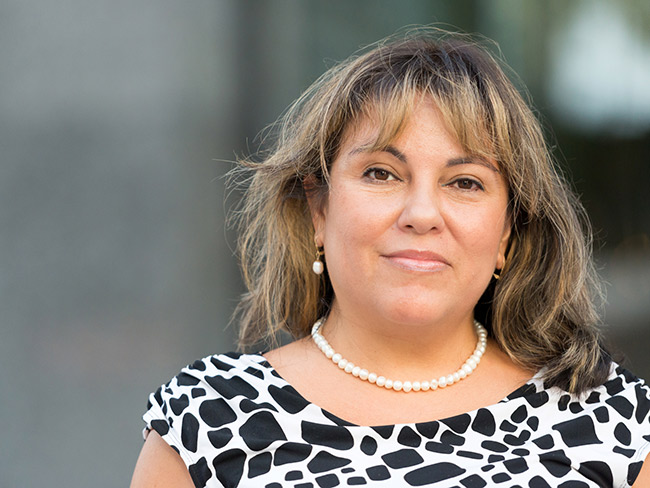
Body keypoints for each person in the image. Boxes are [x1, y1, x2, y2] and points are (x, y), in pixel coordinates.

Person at [131, 28, 650, 488]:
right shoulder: (205, 419)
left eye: (465, 182)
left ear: (507, 234)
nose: (421, 214)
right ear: (318, 208)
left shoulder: (612, 420)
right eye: (381, 173)